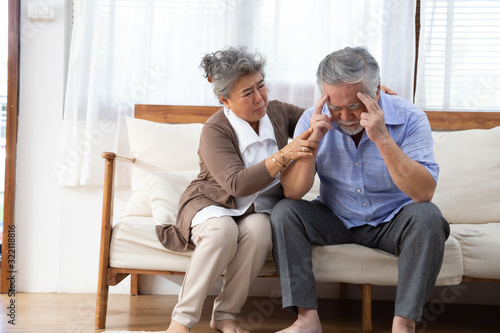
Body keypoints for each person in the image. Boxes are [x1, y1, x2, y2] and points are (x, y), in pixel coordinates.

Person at [270, 46, 450, 333]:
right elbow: (292, 192)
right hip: (335, 217)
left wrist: (383, 139)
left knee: (429, 216)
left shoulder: (411, 118)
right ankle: (307, 320)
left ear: (376, 92)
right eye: (335, 106)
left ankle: (403, 324)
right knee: (284, 212)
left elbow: (423, 193)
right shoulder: (312, 120)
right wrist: (313, 142)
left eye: (354, 106)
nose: (344, 116)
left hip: (393, 221)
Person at [159, 46, 318, 333]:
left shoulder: (279, 112)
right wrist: (286, 154)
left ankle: (224, 315)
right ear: (225, 100)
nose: (259, 99)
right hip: (212, 202)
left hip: (257, 208)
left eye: (261, 86)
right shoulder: (215, 130)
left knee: (259, 232)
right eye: (247, 93)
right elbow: (236, 183)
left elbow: (317, 117)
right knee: (223, 232)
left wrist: (368, 96)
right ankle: (180, 322)